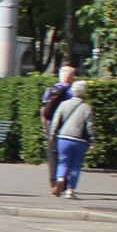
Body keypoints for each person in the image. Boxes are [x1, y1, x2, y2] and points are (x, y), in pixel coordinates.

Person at [49, 81, 94, 198]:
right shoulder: (87, 108)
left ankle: (60, 179)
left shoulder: (63, 104)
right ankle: (70, 190)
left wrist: (52, 134)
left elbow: (56, 120)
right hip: (79, 140)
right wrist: (92, 141)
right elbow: (89, 126)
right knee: (76, 166)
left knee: (63, 162)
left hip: (63, 137)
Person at [40, 64, 77, 195]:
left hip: (51, 127)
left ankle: (54, 182)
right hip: (67, 129)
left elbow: (44, 110)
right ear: (70, 77)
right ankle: (65, 183)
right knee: (67, 156)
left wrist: (45, 127)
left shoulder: (51, 89)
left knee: (53, 155)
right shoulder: (72, 91)